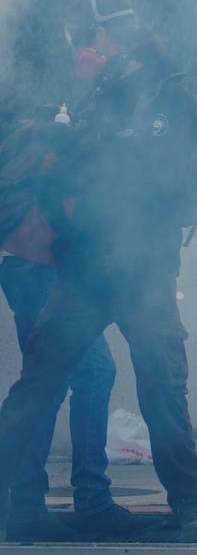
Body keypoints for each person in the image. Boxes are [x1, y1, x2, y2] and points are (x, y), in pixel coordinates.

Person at [0, 0, 197, 543]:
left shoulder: (168, 99)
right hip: (84, 271)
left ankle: (189, 508)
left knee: (163, 386)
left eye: (86, 39)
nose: (82, 52)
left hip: (143, 270)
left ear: (108, 37)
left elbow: (167, 182)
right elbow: (66, 183)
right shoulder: (97, 101)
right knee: (38, 382)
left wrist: (93, 155)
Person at [0, 107, 130, 542]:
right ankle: (77, 503)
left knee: (47, 383)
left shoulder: (41, 139)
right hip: (35, 268)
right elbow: (72, 220)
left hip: (29, 267)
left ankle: (31, 504)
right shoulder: (66, 145)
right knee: (71, 378)